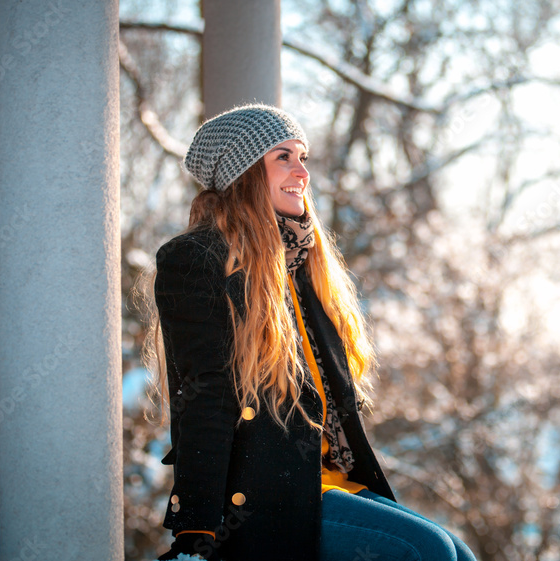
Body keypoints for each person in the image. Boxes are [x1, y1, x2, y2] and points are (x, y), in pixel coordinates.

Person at [141, 103, 478, 561]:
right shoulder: (198, 260)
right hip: (268, 497)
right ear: (243, 172)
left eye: (304, 157)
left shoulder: (303, 261)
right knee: (429, 551)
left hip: (335, 481)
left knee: (457, 552)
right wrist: (195, 529)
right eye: (283, 156)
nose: (301, 171)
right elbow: (206, 394)